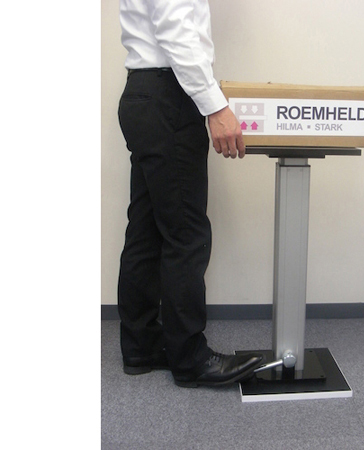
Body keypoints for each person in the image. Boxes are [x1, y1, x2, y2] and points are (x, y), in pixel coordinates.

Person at [117, 0, 263, 387]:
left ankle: (142, 345)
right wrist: (215, 106)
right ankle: (189, 359)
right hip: (169, 97)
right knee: (186, 233)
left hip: (144, 93)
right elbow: (175, 28)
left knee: (146, 230)